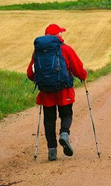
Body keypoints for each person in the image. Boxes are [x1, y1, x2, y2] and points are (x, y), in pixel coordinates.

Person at [27, 23, 88, 161]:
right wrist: (83, 76)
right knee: (66, 114)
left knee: (49, 121)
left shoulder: (38, 52)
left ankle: (52, 151)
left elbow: (30, 73)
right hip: (64, 90)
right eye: (60, 32)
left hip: (46, 92)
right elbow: (78, 69)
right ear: (57, 35)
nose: (62, 34)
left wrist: (43, 80)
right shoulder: (66, 49)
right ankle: (64, 134)